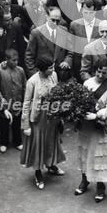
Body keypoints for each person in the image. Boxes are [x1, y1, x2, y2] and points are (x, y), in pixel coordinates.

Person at [21, 56, 65, 189]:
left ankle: (51, 165)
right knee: (38, 143)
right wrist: (25, 125)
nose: (53, 69)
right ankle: (38, 172)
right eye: (50, 68)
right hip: (38, 117)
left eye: (53, 67)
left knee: (51, 141)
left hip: (52, 115)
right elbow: (27, 103)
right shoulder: (32, 81)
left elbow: (57, 94)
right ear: (41, 69)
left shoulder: (54, 75)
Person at [75, 58, 107, 202]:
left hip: (100, 125)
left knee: (99, 156)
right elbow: (81, 102)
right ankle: (85, 181)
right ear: (95, 70)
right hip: (86, 126)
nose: (100, 75)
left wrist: (97, 115)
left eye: (104, 73)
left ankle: (100, 187)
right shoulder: (87, 83)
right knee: (85, 153)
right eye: (99, 71)